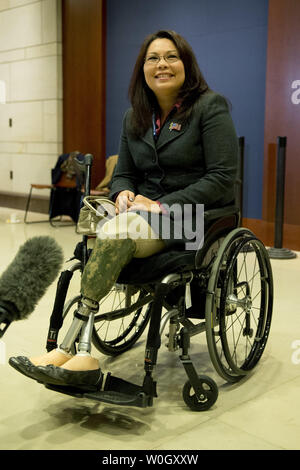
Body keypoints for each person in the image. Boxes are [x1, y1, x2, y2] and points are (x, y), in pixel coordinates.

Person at [9, 30, 238, 390]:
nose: (162, 64)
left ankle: (71, 348)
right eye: (153, 58)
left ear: (186, 64)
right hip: (138, 218)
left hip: (193, 218)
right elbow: (125, 174)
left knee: (115, 233)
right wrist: (123, 193)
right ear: (142, 69)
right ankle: (75, 350)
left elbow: (223, 178)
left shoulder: (210, 107)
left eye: (171, 56)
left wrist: (161, 204)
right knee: (104, 229)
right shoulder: (135, 115)